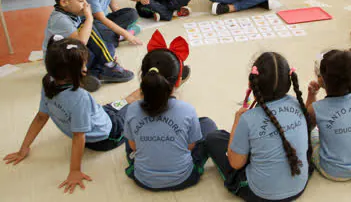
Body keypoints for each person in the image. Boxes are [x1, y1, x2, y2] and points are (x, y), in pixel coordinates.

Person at [3, 37, 141, 194]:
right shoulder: (79, 97)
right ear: (78, 71)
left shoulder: (48, 82)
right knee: (135, 109)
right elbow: (79, 137)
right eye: (84, 63)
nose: (86, 67)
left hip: (98, 117)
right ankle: (158, 87)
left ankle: (140, 94)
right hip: (106, 136)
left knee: (125, 102)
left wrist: (24, 148)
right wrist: (75, 170)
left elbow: (41, 117)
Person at [205, 52, 311, 201]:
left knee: (214, 138)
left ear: (252, 84)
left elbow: (235, 163)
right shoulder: (296, 103)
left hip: (261, 194)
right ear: (289, 81)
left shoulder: (247, 119)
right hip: (299, 187)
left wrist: (236, 122)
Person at [124, 30, 217, 191]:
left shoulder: (132, 109)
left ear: (144, 78)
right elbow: (189, 146)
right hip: (183, 178)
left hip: (143, 178)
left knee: (128, 135)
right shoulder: (187, 110)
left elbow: (133, 147)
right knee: (208, 125)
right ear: (178, 81)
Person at [42, 0, 134, 86]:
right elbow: (81, 43)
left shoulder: (70, 13)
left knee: (100, 40)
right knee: (89, 27)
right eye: (81, 0)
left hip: (69, 56)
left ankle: (93, 72)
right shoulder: (60, 19)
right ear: (64, 1)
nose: (86, 4)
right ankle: (107, 65)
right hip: (61, 64)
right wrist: (89, 17)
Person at [305, 50, 351, 181]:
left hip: (333, 170)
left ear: (322, 80)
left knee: (312, 133)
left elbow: (306, 124)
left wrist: (312, 95)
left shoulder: (317, 108)